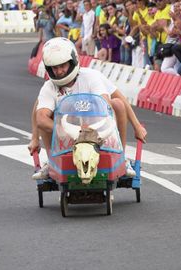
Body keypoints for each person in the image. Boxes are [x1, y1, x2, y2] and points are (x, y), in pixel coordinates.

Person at [29, 37, 147, 180]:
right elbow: (40, 116)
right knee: (46, 114)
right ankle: (52, 162)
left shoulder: (91, 76)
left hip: (95, 129)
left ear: (72, 62)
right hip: (66, 134)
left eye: (63, 66)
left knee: (117, 104)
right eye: (55, 68)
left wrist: (137, 126)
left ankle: (121, 158)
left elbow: (108, 104)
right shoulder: (49, 87)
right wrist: (48, 134)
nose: (59, 71)